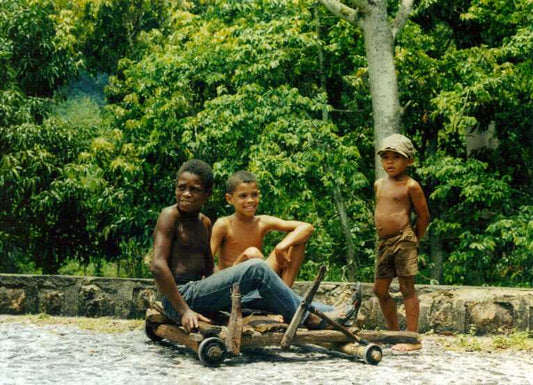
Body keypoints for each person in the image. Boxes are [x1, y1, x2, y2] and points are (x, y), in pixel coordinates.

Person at [150, 159, 349, 332]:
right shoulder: (170, 215)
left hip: (199, 296)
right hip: (178, 299)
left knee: (267, 296)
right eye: (181, 187)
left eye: (194, 190)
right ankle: (308, 319)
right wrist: (184, 310)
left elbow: (209, 268)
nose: (186, 194)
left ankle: (330, 312)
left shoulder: (204, 223)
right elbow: (158, 266)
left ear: (207, 194)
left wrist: (227, 294)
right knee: (257, 268)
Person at [373, 134, 430, 352]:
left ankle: (412, 338)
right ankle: (394, 333)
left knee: (407, 288)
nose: (389, 162)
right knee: (379, 289)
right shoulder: (379, 184)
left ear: (409, 161)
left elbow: (424, 216)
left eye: (396, 157)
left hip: (404, 239)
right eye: (385, 157)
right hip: (384, 242)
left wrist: (414, 238)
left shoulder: (411, 186)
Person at [211, 170, 313, 288]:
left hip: (259, 274)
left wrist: (282, 246)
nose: (250, 200)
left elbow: (307, 227)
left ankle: (286, 292)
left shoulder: (262, 221)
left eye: (254, 195)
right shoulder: (223, 224)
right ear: (229, 199)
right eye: (243, 196)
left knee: (298, 240)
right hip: (232, 282)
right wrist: (219, 282)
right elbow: (207, 261)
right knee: (252, 253)